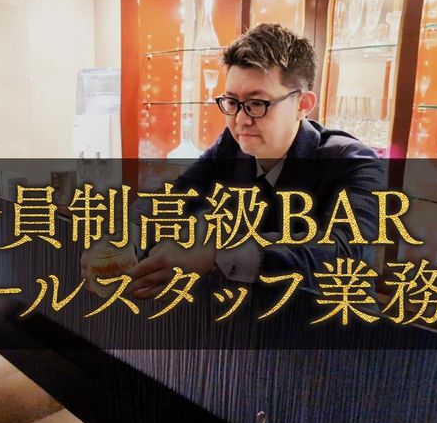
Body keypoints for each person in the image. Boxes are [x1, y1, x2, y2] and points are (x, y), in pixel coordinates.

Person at [127, 23, 386, 299]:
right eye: (231, 102)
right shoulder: (231, 146)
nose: (241, 120)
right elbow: (174, 198)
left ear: (303, 105)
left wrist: (219, 254)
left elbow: (347, 255)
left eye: (257, 104)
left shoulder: (354, 162)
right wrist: (127, 237)